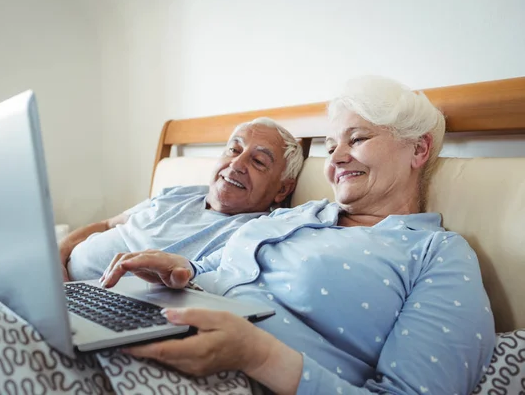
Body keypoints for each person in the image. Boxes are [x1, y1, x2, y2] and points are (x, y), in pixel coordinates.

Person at [101, 77, 495, 394]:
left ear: (419, 149)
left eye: (356, 139)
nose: (336, 159)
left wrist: (258, 356)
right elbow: (218, 267)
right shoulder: (302, 214)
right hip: (165, 331)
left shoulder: (436, 254)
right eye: (330, 146)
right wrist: (182, 271)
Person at [62, 117, 304, 281]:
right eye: (234, 149)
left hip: (94, 307)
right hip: (59, 280)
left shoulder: (251, 233)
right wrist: (58, 254)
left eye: (258, 161)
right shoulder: (179, 194)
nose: (236, 164)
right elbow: (106, 224)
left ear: (283, 190)